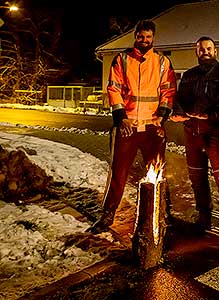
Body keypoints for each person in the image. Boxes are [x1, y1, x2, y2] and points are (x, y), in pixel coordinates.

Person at [89, 19, 176, 233]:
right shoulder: (122, 59)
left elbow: (168, 91)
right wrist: (121, 117)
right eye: (141, 36)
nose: (144, 40)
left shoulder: (162, 62)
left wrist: (162, 117)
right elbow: (114, 89)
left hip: (152, 128)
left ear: (153, 38)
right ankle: (108, 214)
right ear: (135, 36)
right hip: (128, 127)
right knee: (118, 173)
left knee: (157, 173)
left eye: (148, 37)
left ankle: (163, 212)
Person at [170, 36, 219, 248]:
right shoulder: (189, 75)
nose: (205, 51)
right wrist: (177, 112)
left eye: (209, 48)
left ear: (215, 51)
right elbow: (179, 99)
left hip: (216, 134)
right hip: (191, 133)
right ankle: (204, 218)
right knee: (197, 179)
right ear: (197, 52)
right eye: (201, 49)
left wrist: (212, 115)